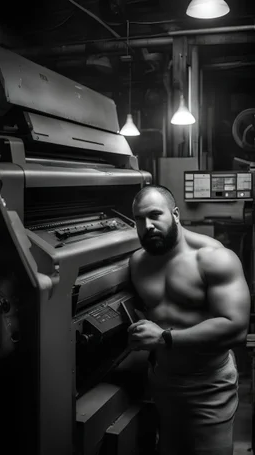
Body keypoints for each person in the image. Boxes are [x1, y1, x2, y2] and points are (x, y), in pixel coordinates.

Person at [128, 184, 250, 455]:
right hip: (162, 383)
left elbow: (235, 328)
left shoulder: (214, 258)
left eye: (155, 215)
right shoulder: (138, 263)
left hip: (208, 386)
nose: (147, 225)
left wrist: (164, 337)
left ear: (175, 214)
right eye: (139, 219)